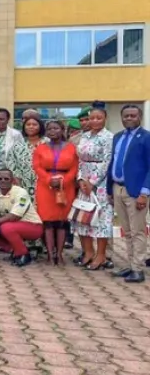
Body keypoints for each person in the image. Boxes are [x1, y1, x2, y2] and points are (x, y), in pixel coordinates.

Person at [107, 104, 150, 284]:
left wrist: (144, 193)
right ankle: (131, 265)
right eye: (126, 116)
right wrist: (110, 190)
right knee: (127, 231)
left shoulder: (146, 137)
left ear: (139, 116)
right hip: (118, 188)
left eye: (133, 115)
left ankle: (138, 269)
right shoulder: (117, 137)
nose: (129, 119)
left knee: (138, 230)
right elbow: (113, 162)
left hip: (136, 191)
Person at [73, 104, 114, 271]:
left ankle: (101, 255)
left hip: (101, 184)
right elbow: (80, 159)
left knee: (101, 220)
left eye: (99, 118)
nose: (94, 121)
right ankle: (88, 252)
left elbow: (107, 161)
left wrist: (93, 182)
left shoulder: (109, 137)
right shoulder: (85, 136)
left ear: (105, 119)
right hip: (83, 181)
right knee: (84, 217)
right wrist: (81, 179)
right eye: (92, 118)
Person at [0, 168, 44, 267]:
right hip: (10, 225)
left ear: (12, 180)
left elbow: (14, 217)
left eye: (6, 179)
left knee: (6, 227)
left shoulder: (21, 193)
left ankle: (24, 255)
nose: (2, 181)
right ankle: (14, 250)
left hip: (33, 226)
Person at [33, 119, 78, 265]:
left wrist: (64, 181)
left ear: (62, 130)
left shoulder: (71, 147)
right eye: (50, 129)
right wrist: (48, 180)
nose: (53, 131)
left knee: (61, 221)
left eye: (56, 128)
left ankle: (59, 253)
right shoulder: (40, 148)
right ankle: (50, 254)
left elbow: (75, 167)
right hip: (46, 187)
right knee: (48, 221)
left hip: (65, 187)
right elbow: (37, 166)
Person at [0, 108, 26, 196]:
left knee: (8, 202)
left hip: (8, 177)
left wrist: (17, 176)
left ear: (8, 119)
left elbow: (21, 156)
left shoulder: (15, 135)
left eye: (2, 119)